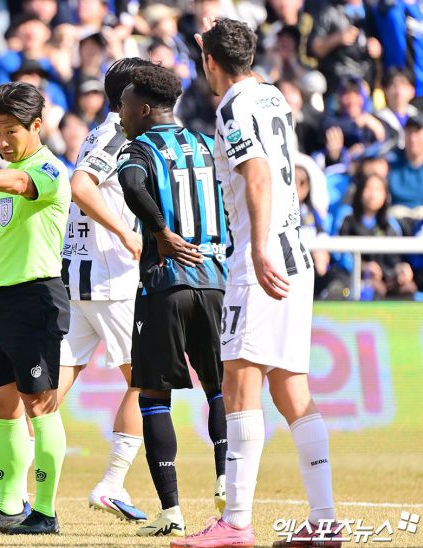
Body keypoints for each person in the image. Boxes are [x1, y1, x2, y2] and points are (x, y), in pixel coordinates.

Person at [176, 18, 339, 548]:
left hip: (261, 262)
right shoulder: (272, 96)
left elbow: (260, 174)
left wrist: (259, 247)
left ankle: (236, 522)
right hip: (296, 257)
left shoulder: (233, 107)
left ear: (210, 62)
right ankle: (325, 520)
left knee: (239, 385)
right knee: (292, 389)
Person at [116, 63, 229, 537]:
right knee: (220, 388)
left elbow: (131, 184)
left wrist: (161, 232)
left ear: (144, 109)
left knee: (153, 396)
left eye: (124, 106)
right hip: (216, 281)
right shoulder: (206, 145)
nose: (120, 114)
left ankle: (171, 512)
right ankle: (226, 481)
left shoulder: (138, 149)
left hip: (164, 285)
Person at [0, 82, 71, 536]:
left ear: (36, 125)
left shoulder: (48, 169)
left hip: (37, 298)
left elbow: (24, 184)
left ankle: (45, 511)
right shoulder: (3, 178)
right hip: (2, 301)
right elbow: (1, 250)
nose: (2, 141)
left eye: (11, 132)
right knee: (2, 404)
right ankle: (9, 507)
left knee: (40, 404)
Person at [57, 57, 150, 523]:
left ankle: (14, 486)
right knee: (147, 381)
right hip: (111, 280)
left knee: (49, 391)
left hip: (78, 278)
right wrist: (125, 232)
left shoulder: (100, 133)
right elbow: (81, 186)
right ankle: (112, 484)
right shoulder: (116, 134)